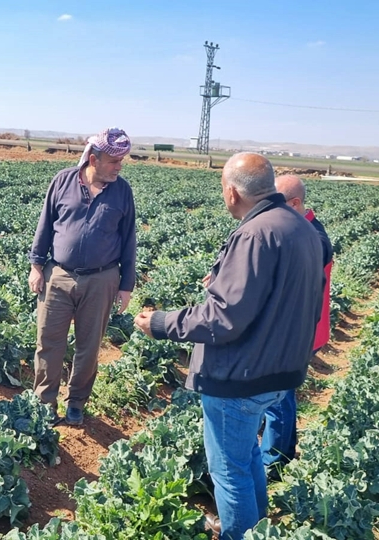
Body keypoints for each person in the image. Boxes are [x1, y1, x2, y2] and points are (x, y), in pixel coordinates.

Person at [133, 153, 324, 539]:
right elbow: (284, 295)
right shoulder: (302, 228)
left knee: (229, 471)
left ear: (233, 192)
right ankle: (258, 529)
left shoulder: (254, 234)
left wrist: (160, 323)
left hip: (242, 374)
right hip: (279, 369)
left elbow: (223, 318)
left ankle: (241, 533)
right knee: (248, 454)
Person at [28, 127, 137, 426]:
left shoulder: (122, 191)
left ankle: (76, 402)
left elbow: (129, 240)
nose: (119, 167)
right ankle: (44, 403)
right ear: (93, 158)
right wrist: (36, 265)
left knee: (89, 346)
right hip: (58, 276)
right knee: (48, 341)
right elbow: (45, 224)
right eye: (114, 162)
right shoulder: (63, 181)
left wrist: (126, 286)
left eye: (121, 161)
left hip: (102, 279)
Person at [259, 174, 334, 478]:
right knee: (283, 390)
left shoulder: (313, 237)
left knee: (276, 392)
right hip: (303, 327)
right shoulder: (303, 228)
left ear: (295, 203)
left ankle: (273, 460)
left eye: (277, 204)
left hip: (300, 330)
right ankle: (285, 450)